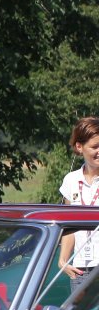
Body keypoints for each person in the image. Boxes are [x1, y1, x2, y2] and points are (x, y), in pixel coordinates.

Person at [59, 116, 99, 279]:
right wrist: (63, 260)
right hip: (80, 267)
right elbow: (69, 226)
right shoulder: (71, 180)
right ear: (79, 146)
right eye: (95, 147)